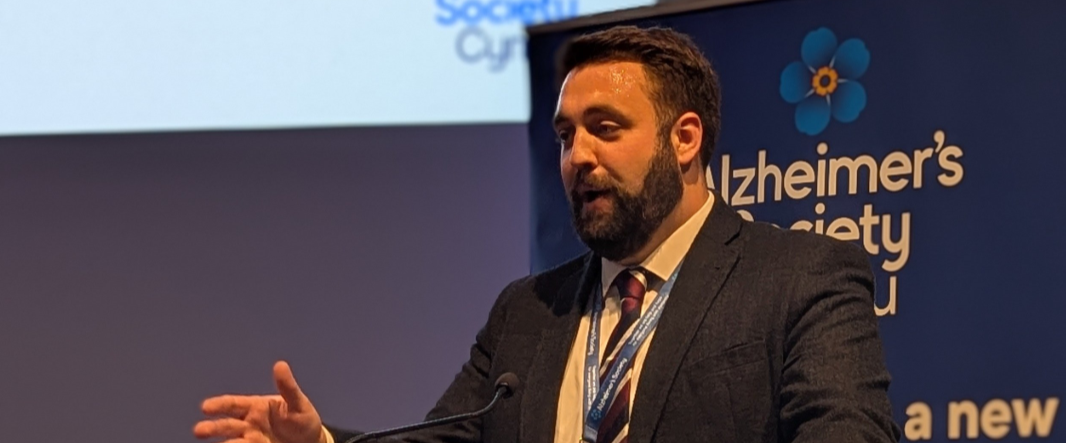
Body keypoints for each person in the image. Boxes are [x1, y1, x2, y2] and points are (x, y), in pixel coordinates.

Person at [194, 25, 900, 443]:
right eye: (565, 135)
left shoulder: (798, 277)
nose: (577, 157)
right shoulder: (528, 311)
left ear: (685, 140)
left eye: (606, 128)